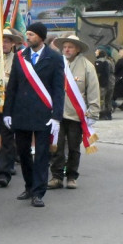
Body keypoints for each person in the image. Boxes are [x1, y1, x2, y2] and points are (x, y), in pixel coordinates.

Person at [1, 22, 65, 208]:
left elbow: (58, 89)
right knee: (23, 152)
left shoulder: (54, 58)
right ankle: (29, 186)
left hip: (43, 113)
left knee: (42, 155)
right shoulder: (20, 57)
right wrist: (8, 112)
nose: (28, 37)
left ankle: (38, 192)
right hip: (21, 113)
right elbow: (12, 86)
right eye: (27, 34)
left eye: (32, 34)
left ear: (41, 37)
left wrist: (56, 116)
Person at [49, 34, 100, 189]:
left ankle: (71, 176)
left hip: (76, 115)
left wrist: (93, 112)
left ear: (77, 49)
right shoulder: (57, 63)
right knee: (56, 146)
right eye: (64, 47)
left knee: (73, 147)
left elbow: (93, 90)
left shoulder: (86, 66)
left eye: (70, 47)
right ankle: (56, 176)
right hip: (58, 113)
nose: (67, 50)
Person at [0, 29, 22, 188]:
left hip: (9, 104)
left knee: (8, 139)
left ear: (13, 43)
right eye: (2, 41)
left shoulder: (19, 60)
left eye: (8, 41)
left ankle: (5, 172)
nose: (4, 44)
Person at [94, 49, 114, 120]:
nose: (95, 53)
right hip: (111, 81)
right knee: (109, 98)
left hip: (102, 81)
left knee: (101, 98)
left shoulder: (99, 62)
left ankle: (102, 114)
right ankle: (109, 113)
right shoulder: (110, 61)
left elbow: (98, 73)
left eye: (97, 52)